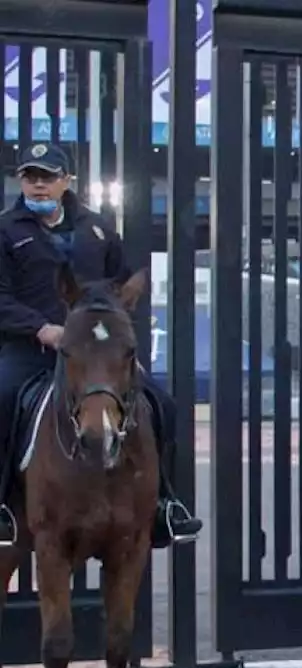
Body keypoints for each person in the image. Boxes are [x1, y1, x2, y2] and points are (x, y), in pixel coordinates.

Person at [0, 142, 203, 548]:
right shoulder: (6, 230)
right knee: (1, 398)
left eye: (48, 177)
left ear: (66, 181)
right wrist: (42, 328)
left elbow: (122, 288)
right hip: (32, 348)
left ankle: (166, 503)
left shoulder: (98, 229)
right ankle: (3, 508)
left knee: (163, 404)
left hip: (94, 356)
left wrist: (120, 345)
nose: (39, 186)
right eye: (30, 177)